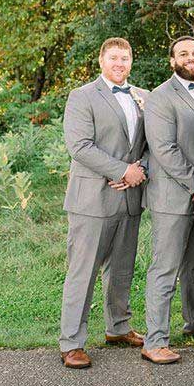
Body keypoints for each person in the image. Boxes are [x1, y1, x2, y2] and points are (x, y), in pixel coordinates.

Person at [59, 37, 149, 369]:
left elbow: (152, 145)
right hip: (92, 199)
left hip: (130, 197)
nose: (119, 64)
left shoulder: (144, 97)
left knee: (122, 268)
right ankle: (71, 342)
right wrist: (121, 169)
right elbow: (80, 146)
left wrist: (140, 170)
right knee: (83, 272)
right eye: (113, 58)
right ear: (101, 60)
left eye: (125, 58)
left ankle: (119, 327)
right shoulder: (82, 96)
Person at [141, 36, 194, 364]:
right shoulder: (160, 97)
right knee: (165, 267)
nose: (190, 58)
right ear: (172, 60)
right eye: (183, 54)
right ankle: (154, 340)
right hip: (174, 195)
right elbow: (164, 151)